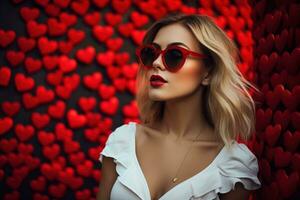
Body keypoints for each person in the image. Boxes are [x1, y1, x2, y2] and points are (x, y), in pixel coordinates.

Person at [97, 13, 261, 200]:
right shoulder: (122, 143)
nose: (157, 64)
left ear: (208, 72)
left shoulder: (232, 166)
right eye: (151, 54)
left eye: (174, 55)